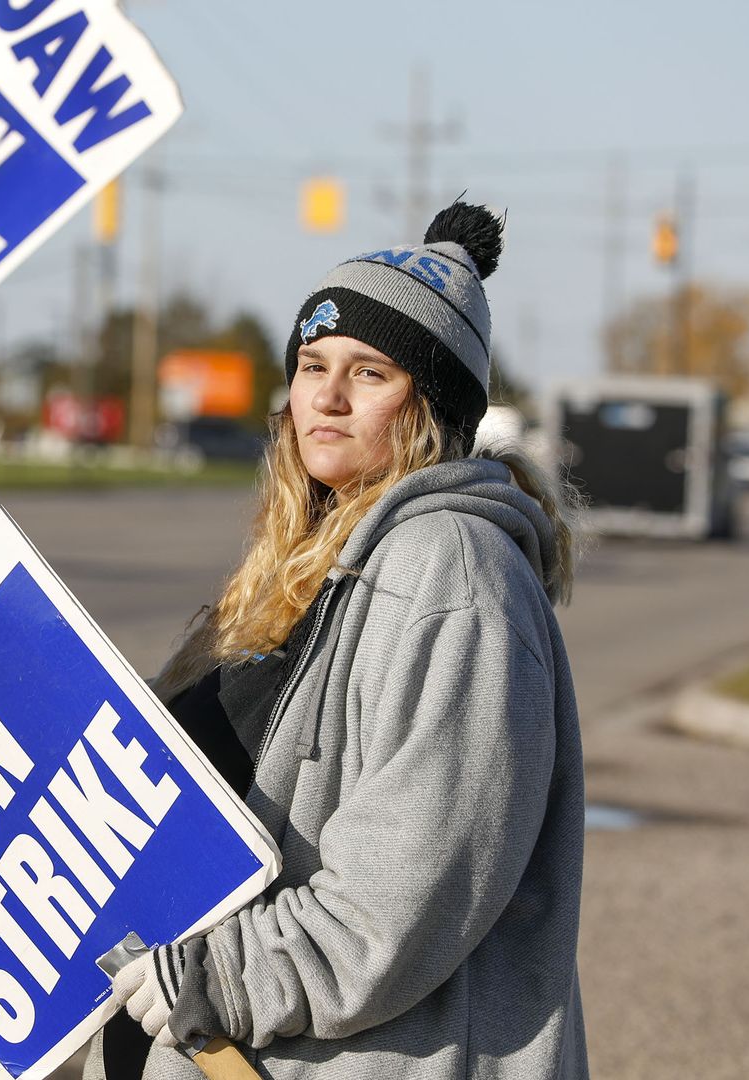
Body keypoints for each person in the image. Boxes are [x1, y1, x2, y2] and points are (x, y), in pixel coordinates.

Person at [98, 204, 588, 1079]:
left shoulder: (454, 573)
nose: (323, 398)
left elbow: (401, 899)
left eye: (369, 373)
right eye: (311, 365)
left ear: (433, 401)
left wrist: (213, 978)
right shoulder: (296, 570)